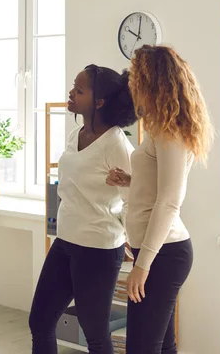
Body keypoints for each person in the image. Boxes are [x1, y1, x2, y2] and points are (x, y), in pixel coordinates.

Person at [106, 45, 213, 354]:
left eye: (137, 76)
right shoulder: (159, 130)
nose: (131, 82)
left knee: (142, 347)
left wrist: (143, 264)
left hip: (165, 255)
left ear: (153, 81)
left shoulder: (172, 134)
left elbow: (169, 202)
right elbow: (156, 189)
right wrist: (129, 182)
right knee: (161, 346)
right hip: (157, 251)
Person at [28, 65, 137, 354]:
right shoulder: (76, 133)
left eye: (79, 89)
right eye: (73, 87)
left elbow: (135, 196)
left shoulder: (116, 144)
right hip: (65, 241)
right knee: (39, 321)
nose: (71, 92)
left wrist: (127, 235)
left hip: (98, 248)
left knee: (95, 335)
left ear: (99, 101)